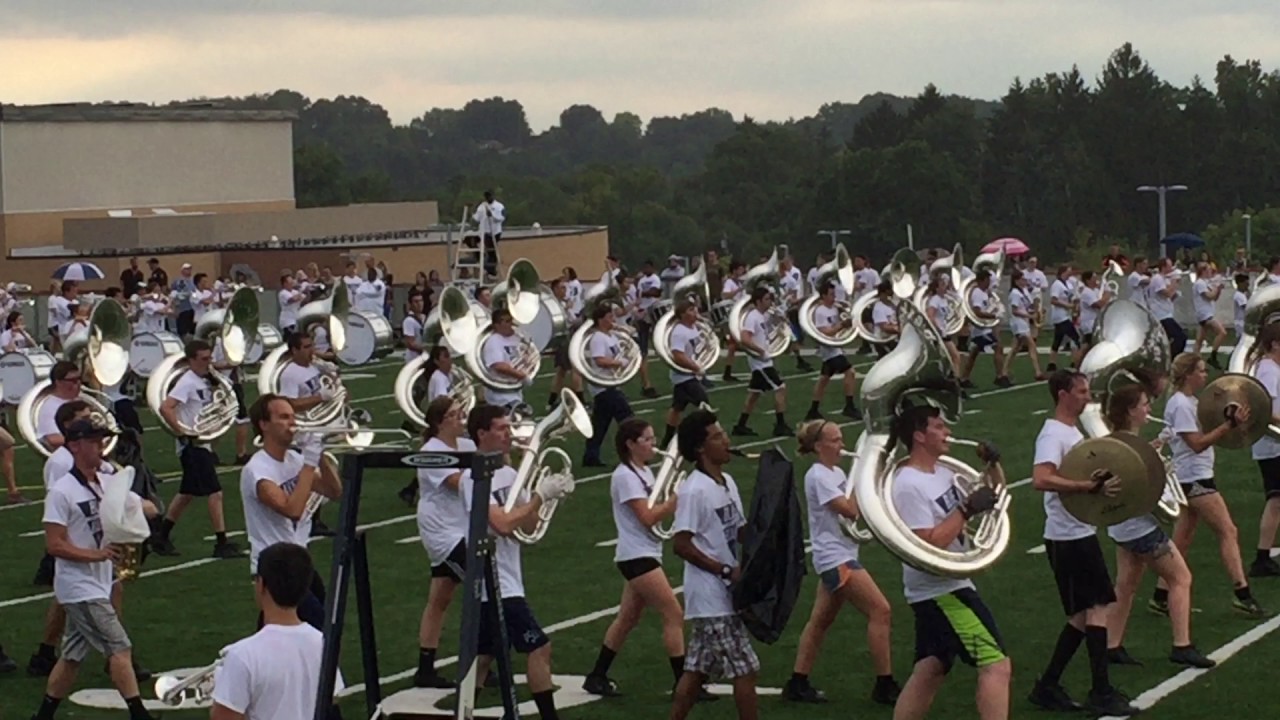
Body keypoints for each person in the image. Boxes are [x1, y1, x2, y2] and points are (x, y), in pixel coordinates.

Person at [887, 406, 1010, 720]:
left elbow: (993, 494)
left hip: (946, 586)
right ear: (919, 436)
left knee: (931, 667)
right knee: (996, 664)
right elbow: (928, 542)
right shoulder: (908, 484)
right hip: (941, 590)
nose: (947, 433)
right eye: (939, 427)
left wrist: (992, 465)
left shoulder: (942, 472)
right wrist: (966, 510)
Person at [1027, 370, 1137, 716]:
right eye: (1082, 391)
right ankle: (1100, 691)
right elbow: (1041, 479)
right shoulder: (1052, 434)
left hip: (1077, 532)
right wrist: (1085, 488)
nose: (1088, 397)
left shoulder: (1072, 432)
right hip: (1068, 536)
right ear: (1063, 395)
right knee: (1098, 607)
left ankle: (1047, 686)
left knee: (1080, 616)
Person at [32, 419, 157, 720]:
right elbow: (55, 544)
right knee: (120, 647)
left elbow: (149, 508)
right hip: (79, 587)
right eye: (93, 441)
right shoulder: (62, 492)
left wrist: (135, 511)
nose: (101, 446)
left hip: (98, 581)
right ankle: (139, 714)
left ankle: (43, 715)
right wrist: (96, 554)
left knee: (72, 657)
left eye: (102, 440)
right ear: (74, 445)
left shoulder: (106, 480)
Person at [460, 405, 575, 720]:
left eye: (508, 427)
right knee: (539, 647)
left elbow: (529, 526)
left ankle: (463, 715)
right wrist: (539, 497)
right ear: (481, 434)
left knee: (483, 659)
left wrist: (550, 496)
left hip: (507, 578)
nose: (508, 434)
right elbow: (501, 524)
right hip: (494, 583)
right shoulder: (472, 478)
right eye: (501, 428)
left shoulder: (510, 474)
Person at [1097, 384, 1216, 668]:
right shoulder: (1127, 446)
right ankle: (1182, 645)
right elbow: (1134, 486)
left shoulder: (1122, 443)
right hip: (1140, 527)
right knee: (1180, 578)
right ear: (1130, 411)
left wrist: (1154, 459)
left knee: (1126, 584)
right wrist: (1160, 472)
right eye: (1144, 404)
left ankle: (1111, 645)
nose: (1149, 409)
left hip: (1122, 527)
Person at [784, 420, 897, 705]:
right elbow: (849, 510)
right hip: (836, 558)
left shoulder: (835, 473)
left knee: (819, 622)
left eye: (841, 439)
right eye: (835, 440)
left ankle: (797, 681)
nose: (842, 445)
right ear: (818, 446)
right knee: (881, 610)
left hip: (841, 554)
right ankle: (884, 683)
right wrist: (863, 478)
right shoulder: (818, 475)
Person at [583, 418, 693, 698]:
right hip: (637, 556)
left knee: (627, 619)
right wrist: (675, 501)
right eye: (647, 440)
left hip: (645, 552)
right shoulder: (625, 476)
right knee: (673, 613)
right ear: (630, 444)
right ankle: (683, 683)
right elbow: (647, 517)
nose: (654, 445)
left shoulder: (644, 472)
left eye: (654, 439)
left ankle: (597, 675)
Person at [1150, 353, 1264, 616]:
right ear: (1188, 374)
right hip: (1194, 478)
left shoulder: (1188, 402)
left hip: (1191, 476)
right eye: (1200, 371)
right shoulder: (1181, 404)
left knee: (1183, 538)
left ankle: (1160, 595)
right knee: (1228, 531)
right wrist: (1228, 426)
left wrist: (1229, 413)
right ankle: (1242, 593)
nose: (1205, 375)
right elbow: (1196, 444)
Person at [669, 409, 758, 720]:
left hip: (724, 594)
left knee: (696, 671)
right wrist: (724, 570)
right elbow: (681, 544)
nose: (726, 441)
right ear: (700, 448)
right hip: (711, 596)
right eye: (718, 437)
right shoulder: (694, 490)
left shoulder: (727, 482)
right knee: (746, 670)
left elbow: (738, 530)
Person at [210, 542, 345, 720]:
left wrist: (224, 683)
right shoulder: (323, 644)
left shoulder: (243, 655)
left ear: (261, 585)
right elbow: (332, 698)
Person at [241, 394, 342, 631]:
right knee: (312, 627)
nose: (293, 423)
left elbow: (335, 491)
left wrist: (320, 456)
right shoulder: (257, 470)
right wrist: (309, 463)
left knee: (319, 626)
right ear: (264, 425)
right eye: (284, 417)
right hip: (274, 565)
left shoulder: (295, 459)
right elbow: (293, 510)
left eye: (293, 417)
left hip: (300, 559)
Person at [150, 340, 243, 559]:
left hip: (202, 444)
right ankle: (221, 543)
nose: (208, 363)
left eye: (210, 358)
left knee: (187, 494)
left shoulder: (204, 381)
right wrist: (182, 431)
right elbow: (166, 407)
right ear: (191, 360)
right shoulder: (187, 381)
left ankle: (161, 537)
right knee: (215, 493)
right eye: (203, 359)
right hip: (193, 446)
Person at [413, 396, 475, 688]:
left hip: (461, 527)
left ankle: (425, 669)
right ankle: (483, 660)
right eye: (454, 415)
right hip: (442, 532)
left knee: (440, 598)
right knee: (483, 590)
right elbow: (458, 483)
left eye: (461, 412)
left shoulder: (465, 445)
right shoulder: (431, 451)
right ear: (439, 422)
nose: (461, 418)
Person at [731, 287, 790, 439]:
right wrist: (761, 351)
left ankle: (740, 426)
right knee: (780, 388)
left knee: (754, 395)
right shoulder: (753, 317)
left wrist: (781, 319)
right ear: (758, 301)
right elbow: (745, 339)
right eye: (766, 299)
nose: (770, 302)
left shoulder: (762, 316)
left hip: (763, 362)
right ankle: (780, 425)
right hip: (761, 364)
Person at [583, 304, 636, 466]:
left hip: (610, 384)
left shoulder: (611, 336)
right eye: (610, 317)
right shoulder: (598, 338)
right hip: (603, 385)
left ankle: (590, 457)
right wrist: (620, 363)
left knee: (600, 424)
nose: (613, 319)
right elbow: (599, 360)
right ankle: (632, 452)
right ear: (600, 320)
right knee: (627, 419)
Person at [1249, 322, 1280, 577]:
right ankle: (1261, 558)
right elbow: (1264, 410)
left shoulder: (1271, 368)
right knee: (1276, 500)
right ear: (1275, 344)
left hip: (1275, 444)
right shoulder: (1269, 370)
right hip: (1272, 445)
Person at [805, 282, 862, 421]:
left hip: (835, 348)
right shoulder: (820, 311)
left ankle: (813, 410)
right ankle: (849, 406)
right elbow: (825, 332)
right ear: (823, 296)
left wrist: (846, 321)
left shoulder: (835, 309)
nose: (834, 297)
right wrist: (842, 325)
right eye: (831, 294)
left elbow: (838, 328)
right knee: (850, 372)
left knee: (823, 380)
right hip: (829, 349)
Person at [660, 300, 713, 448]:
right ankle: (704, 438)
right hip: (684, 377)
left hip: (690, 375)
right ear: (682, 315)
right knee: (704, 406)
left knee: (677, 408)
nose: (695, 312)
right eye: (691, 310)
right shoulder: (679, 332)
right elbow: (678, 355)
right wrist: (696, 367)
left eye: (695, 309)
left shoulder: (695, 327)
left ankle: (667, 440)